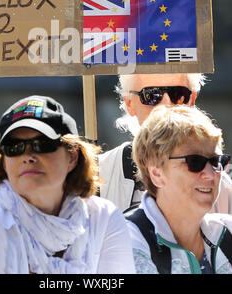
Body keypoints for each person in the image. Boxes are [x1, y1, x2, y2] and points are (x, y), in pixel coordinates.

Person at [0, 95, 135, 274]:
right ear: (4, 161)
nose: (28, 156)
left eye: (42, 144)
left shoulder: (103, 217)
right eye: (14, 147)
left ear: (73, 156)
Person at [99, 73, 232, 214]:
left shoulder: (219, 183)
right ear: (129, 103)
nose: (166, 105)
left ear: (192, 100)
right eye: (151, 96)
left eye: (178, 94)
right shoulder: (101, 174)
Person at [127, 104, 232, 274]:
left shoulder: (228, 232)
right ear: (157, 173)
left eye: (215, 161)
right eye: (194, 162)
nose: (211, 174)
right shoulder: (127, 241)